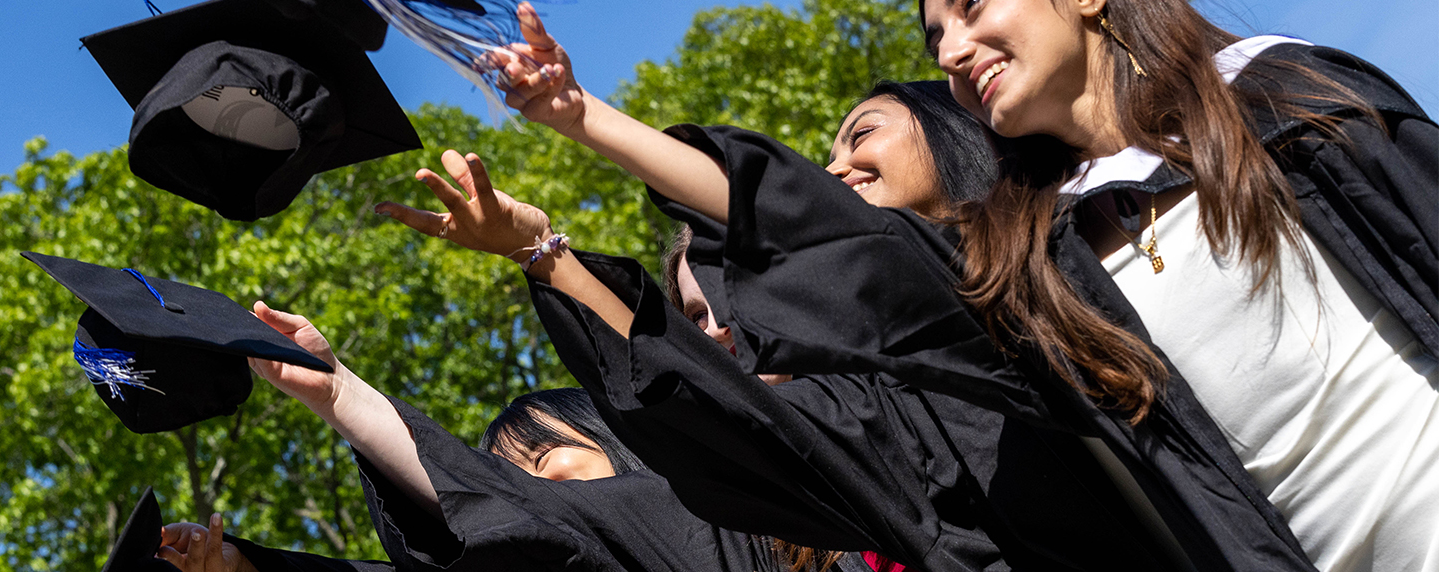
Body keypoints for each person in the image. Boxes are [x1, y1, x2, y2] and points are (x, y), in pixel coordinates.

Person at [489, 0, 1438, 570]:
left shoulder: (1285, 99)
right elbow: (821, 231)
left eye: (973, 4)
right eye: (937, 37)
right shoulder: (1034, 269)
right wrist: (584, 121)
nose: (950, 50)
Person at [376, 84, 1181, 571]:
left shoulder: (1096, 257)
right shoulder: (801, 505)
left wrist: (585, 125)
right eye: (694, 319)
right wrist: (540, 251)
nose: (720, 333)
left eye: (861, 134)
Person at [232, 300, 874, 572]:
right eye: (510, 481)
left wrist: (344, 393)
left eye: (549, 460)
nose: (527, 498)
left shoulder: (727, 520)